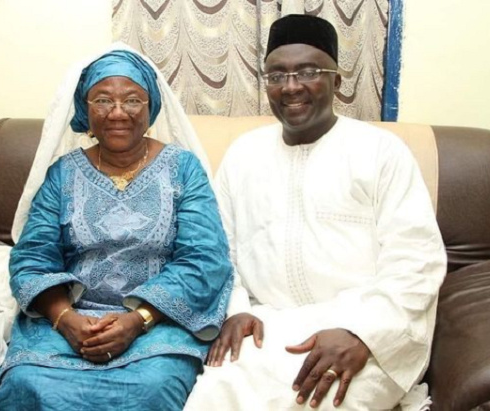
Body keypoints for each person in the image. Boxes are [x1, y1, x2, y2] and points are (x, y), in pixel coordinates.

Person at [0, 44, 233, 411]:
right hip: (67, 320)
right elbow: (31, 258)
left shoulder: (183, 169)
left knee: (151, 389)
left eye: (133, 100)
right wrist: (65, 320)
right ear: (85, 111)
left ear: (151, 108)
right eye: (103, 100)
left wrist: (136, 321)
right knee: (28, 384)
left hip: (157, 323)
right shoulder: (62, 174)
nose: (118, 113)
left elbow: (204, 258)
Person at [184, 14, 446, 411]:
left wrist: (362, 334)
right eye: (277, 75)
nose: (291, 87)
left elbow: (417, 261)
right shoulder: (243, 155)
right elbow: (220, 249)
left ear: (337, 80)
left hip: (364, 331)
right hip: (267, 331)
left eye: (308, 71)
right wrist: (235, 310)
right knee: (208, 397)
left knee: (318, 403)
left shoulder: (381, 151)